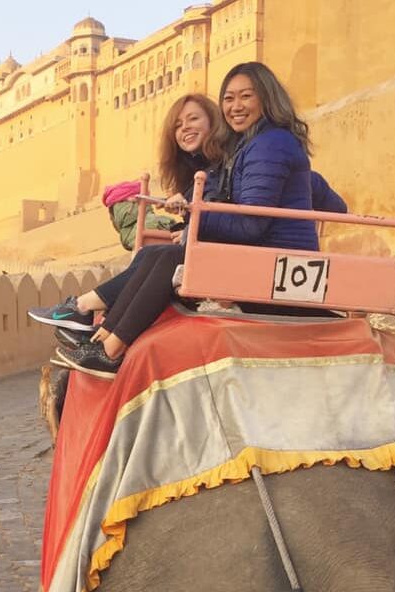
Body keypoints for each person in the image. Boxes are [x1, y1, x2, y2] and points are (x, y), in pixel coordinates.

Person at [55, 62, 327, 379]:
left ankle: (106, 341)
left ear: (266, 98)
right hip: (264, 253)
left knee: (170, 257)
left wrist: (192, 215)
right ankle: (105, 336)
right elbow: (324, 198)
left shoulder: (268, 144)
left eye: (246, 97)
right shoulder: (256, 144)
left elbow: (251, 225)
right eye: (229, 98)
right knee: (158, 254)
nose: (236, 106)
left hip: (272, 261)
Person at [27, 93, 228, 333]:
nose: (185, 128)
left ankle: (89, 315)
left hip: (222, 254)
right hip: (205, 246)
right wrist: (187, 220)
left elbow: (222, 209)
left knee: (161, 257)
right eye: (178, 125)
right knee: (149, 254)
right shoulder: (196, 168)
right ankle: (100, 325)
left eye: (193, 119)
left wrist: (191, 211)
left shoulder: (219, 166)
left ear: (212, 122)